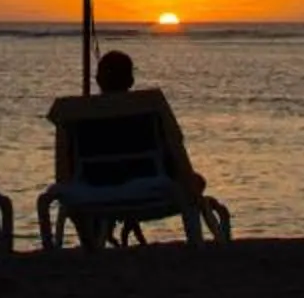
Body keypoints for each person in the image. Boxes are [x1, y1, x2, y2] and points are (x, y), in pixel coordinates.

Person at [45, 49, 209, 247]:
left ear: (98, 79)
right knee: (196, 180)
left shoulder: (73, 113)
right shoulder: (150, 107)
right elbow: (176, 151)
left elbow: (64, 172)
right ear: (131, 80)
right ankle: (196, 244)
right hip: (151, 187)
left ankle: (91, 241)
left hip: (94, 190)